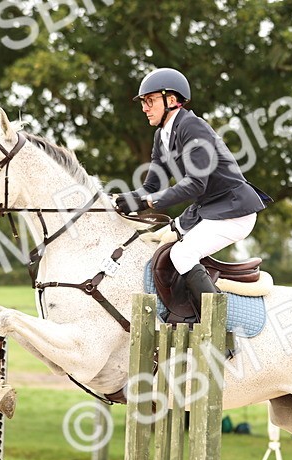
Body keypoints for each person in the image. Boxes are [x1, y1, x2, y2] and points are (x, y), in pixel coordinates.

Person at [112, 68, 267, 310]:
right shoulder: (161, 135)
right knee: (156, 242)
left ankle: (217, 324)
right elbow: (152, 186)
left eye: (150, 101)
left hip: (233, 211)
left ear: (171, 100)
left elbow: (196, 183)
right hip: (207, 211)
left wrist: (149, 202)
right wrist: (115, 201)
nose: (144, 108)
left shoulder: (192, 127)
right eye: (144, 102)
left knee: (181, 255)